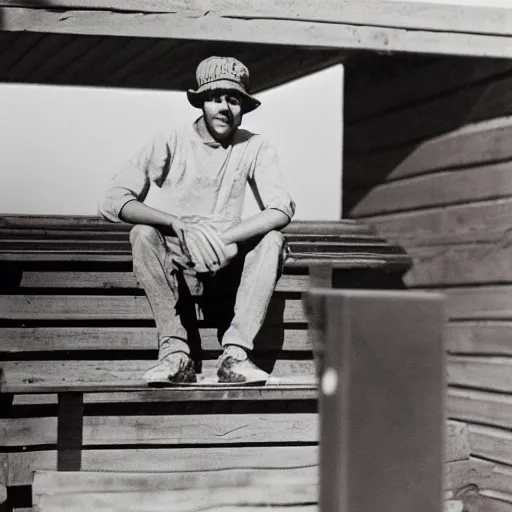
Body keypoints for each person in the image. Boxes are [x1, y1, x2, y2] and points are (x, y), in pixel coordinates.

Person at [98, 56, 295, 385]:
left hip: (228, 270)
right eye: (215, 98)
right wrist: (180, 225)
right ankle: (175, 355)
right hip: (179, 267)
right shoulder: (170, 140)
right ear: (200, 101)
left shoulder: (255, 145)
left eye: (233, 100)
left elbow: (281, 209)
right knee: (143, 233)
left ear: (243, 107)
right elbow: (113, 200)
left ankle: (235, 357)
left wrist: (226, 237)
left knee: (274, 240)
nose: (224, 108)